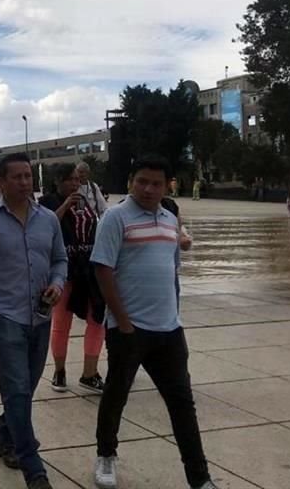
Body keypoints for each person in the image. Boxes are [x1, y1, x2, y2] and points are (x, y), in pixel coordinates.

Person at [91, 155, 217, 489]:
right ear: (132, 180)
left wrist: (175, 315)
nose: (148, 189)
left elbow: (171, 270)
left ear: (167, 186)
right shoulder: (115, 218)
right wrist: (123, 323)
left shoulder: (169, 219)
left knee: (182, 405)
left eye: (156, 183)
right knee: (116, 395)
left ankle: (199, 477)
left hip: (169, 331)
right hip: (129, 330)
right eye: (142, 181)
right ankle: (106, 455)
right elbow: (103, 270)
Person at [0, 153, 67, 489]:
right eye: (17, 177)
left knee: (25, 388)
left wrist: (57, 283)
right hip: (6, 317)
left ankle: (5, 432)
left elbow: (60, 260)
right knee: (17, 392)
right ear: (2, 182)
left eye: (28, 176)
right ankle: (33, 469)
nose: (25, 182)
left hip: (40, 317)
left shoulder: (49, 220)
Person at [38, 164, 105, 394]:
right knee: (61, 322)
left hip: (87, 269)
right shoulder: (47, 202)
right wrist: (66, 205)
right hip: (63, 271)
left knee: (97, 318)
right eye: (71, 180)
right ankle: (59, 370)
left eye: (78, 180)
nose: (76, 184)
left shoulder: (85, 200)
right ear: (58, 181)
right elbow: (44, 227)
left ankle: (90, 372)